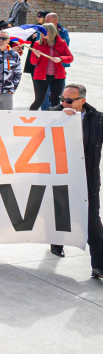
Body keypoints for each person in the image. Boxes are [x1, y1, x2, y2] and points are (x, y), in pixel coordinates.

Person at [49, 84, 103, 272]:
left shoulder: (97, 119)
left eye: (69, 100)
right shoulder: (52, 114)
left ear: (82, 101)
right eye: (62, 99)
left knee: (92, 220)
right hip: (60, 175)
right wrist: (60, 116)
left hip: (88, 177)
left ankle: (99, 266)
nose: (64, 103)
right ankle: (57, 243)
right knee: (59, 212)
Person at [28, 22, 73, 111]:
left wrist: (60, 59)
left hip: (58, 77)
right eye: (41, 31)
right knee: (39, 100)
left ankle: (54, 118)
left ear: (52, 31)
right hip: (40, 77)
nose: (42, 33)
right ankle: (28, 117)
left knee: (55, 100)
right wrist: (37, 56)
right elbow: (33, 62)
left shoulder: (62, 43)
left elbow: (70, 58)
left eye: (45, 31)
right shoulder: (37, 44)